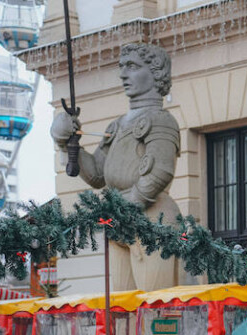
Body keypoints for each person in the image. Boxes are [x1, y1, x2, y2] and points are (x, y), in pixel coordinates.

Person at [49, 42, 183, 291]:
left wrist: (127, 207)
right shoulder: (117, 125)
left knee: (154, 305)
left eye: (132, 67)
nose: (123, 74)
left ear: (155, 72)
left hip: (152, 219)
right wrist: (65, 141)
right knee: (122, 309)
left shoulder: (162, 120)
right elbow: (97, 174)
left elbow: (160, 172)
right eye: (122, 67)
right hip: (121, 221)